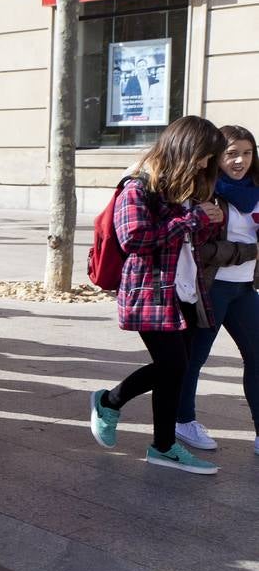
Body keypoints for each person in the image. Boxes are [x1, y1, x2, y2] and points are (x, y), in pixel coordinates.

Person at [89, 116, 227, 474]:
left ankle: (163, 446)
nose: (204, 165)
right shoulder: (139, 184)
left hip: (184, 288)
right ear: (185, 148)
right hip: (150, 290)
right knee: (173, 365)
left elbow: (185, 240)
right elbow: (134, 237)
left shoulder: (184, 186)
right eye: (202, 156)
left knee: (174, 373)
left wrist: (207, 221)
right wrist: (193, 219)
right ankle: (109, 401)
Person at [173, 124, 259, 453]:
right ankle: (183, 421)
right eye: (231, 154)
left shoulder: (256, 189)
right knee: (194, 359)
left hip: (244, 290)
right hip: (212, 287)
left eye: (247, 153)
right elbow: (200, 248)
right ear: (216, 158)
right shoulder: (205, 192)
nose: (240, 161)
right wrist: (248, 252)